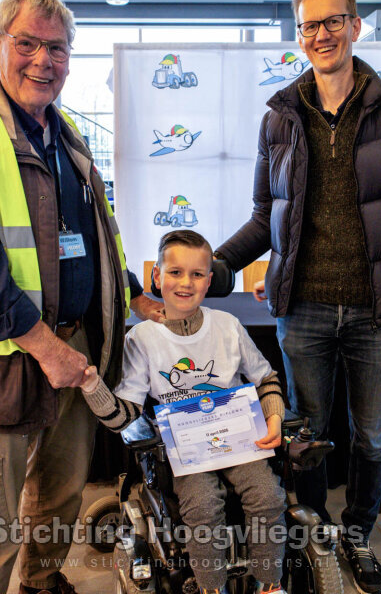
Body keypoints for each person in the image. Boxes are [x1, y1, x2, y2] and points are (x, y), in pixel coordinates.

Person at [0, 0, 163, 594]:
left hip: (72, 353)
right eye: (27, 43)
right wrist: (47, 348)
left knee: (59, 492)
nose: (43, 60)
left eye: (57, 48)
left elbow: (89, 235)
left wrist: (133, 295)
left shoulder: (63, 133)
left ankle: (42, 582)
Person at [214, 0, 381, 594]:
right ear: (299, 35)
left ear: (355, 26)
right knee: (306, 434)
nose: (321, 34)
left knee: (373, 435)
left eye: (332, 21)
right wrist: (215, 265)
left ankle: (358, 533)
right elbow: (265, 217)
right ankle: (316, 531)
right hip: (305, 309)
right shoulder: (279, 115)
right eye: (309, 25)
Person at [79, 230, 288, 594]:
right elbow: (125, 415)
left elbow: (265, 378)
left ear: (209, 281)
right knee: (203, 507)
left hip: (238, 442)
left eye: (196, 274)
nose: (186, 283)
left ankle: (269, 584)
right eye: (175, 272)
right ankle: (211, 587)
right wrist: (92, 387)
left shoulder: (228, 326)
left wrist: (274, 417)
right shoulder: (141, 339)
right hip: (187, 451)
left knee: (269, 496)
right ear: (157, 277)